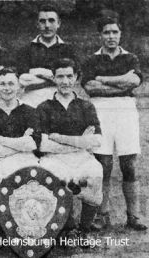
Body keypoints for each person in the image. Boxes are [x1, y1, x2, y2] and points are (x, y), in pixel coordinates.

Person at [81, 16, 147, 231]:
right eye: (106, 32)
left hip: (126, 110)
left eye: (114, 32)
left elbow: (134, 81)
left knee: (129, 165)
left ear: (120, 34)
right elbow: (90, 87)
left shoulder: (131, 58)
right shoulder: (91, 60)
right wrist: (121, 82)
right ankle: (103, 214)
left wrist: (104, 79)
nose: (111, 36)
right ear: (100, 35)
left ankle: (134, 216)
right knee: (104, 165)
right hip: (100, 110)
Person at [37, 58, 103, 237]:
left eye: (69, 76)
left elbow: (96, 140)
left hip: (82, 156)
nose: (65, 81)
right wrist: (79, 141)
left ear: (76, 77)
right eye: (60, 76)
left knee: (96, 173)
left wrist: (60, 138)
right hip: (54, 158)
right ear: (53, 78)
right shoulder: (44, 107)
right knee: (57, 178)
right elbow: (43, 144)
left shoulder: (86, 105)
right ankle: (67, 228)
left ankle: (84, 230)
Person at [0, 67, 41, 248]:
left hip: (26, 158)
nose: (7, 88)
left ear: (19, 87)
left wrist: (1, 140)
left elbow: (33, 144)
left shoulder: (30, 111)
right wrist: (20, 142)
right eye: (2, 84)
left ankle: (28, 229)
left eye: (11, 84)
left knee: (30, 179)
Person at [16, 4, 77, 108]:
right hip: (32, 99)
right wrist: (57, 78)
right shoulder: (26, 50)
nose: (47, 25)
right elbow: (23, 79)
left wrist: (37, 72)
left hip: (60, 98)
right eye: (42, 21)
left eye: (51, 20)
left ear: (58, 23)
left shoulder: (68, 50)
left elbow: (73, 79)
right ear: (37, 24)